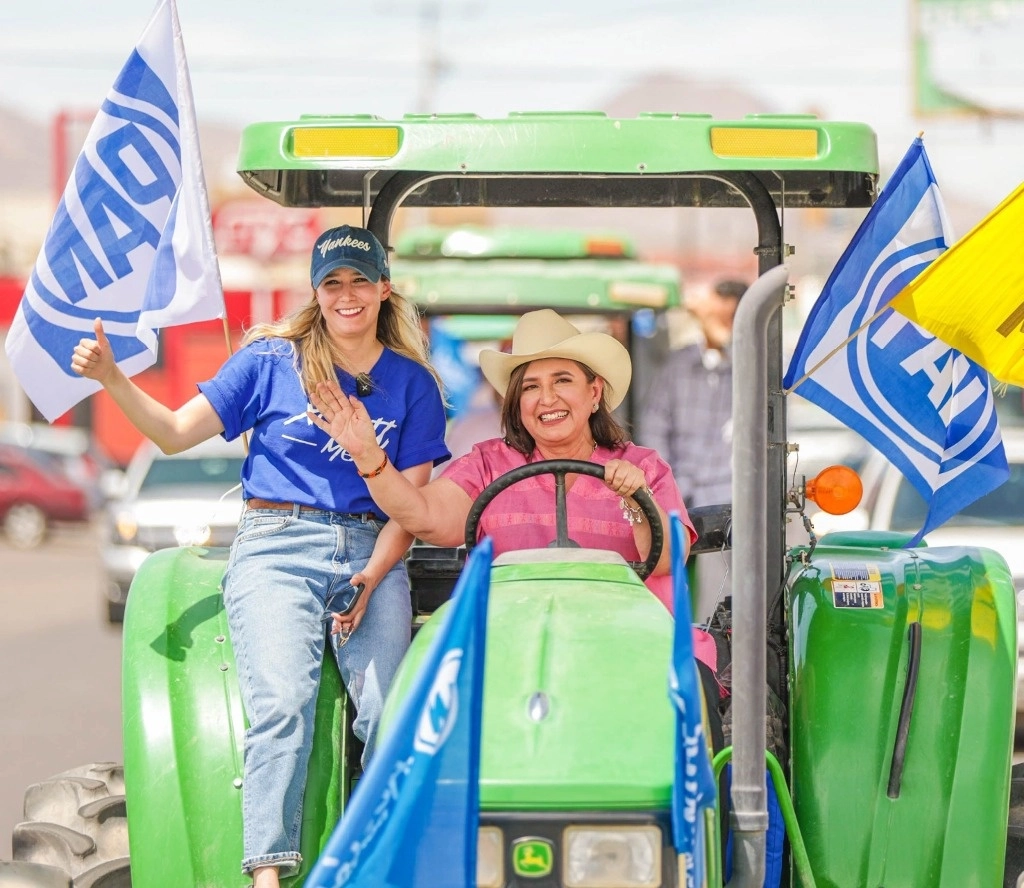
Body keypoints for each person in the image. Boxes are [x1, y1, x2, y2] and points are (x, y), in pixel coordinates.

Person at [70, 225, 451, 888]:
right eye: (333, 282)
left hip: (372, 548)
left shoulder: (413, 384)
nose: (347, 294)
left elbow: (410, 508)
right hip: (278, 544)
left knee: (391, 710)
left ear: (384, 288)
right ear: (316, 292)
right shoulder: (271, 362)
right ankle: (268, 872)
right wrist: (112, 378)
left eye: (360, 280)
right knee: (282, 703)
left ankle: (386, 858)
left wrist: (374, 574)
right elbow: (173, 433)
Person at [308, 308, 697, 613]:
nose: (547, 399)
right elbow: (422, 515)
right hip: (508, 638)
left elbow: (665, 561)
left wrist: (634, 496)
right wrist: (368, 454)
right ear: (516, 402)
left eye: (562, 380)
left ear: (594, 391)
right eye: (530, 387)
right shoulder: (487, 465)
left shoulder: (643, 467)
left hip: (617, 638)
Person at [639, 277, 749, 620]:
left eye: (732, 319)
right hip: (679, 496)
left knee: (722, 593)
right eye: (719, 316)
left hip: (733, 500)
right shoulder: (677, 366)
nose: (722, 326)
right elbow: (654, 429)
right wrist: (668, 488)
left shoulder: (757, 365)